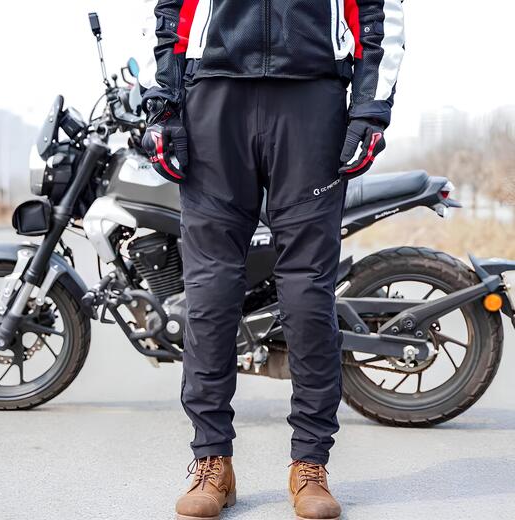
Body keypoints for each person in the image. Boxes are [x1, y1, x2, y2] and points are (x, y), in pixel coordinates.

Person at [140, 1, 405, 519]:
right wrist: (163, 104)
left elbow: (381, 11)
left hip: (313, 96)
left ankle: (310, 463)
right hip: (212, 93)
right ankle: (211, 460)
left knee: (308, 294)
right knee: (210, 293)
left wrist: (370, 109)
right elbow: (168, 7)